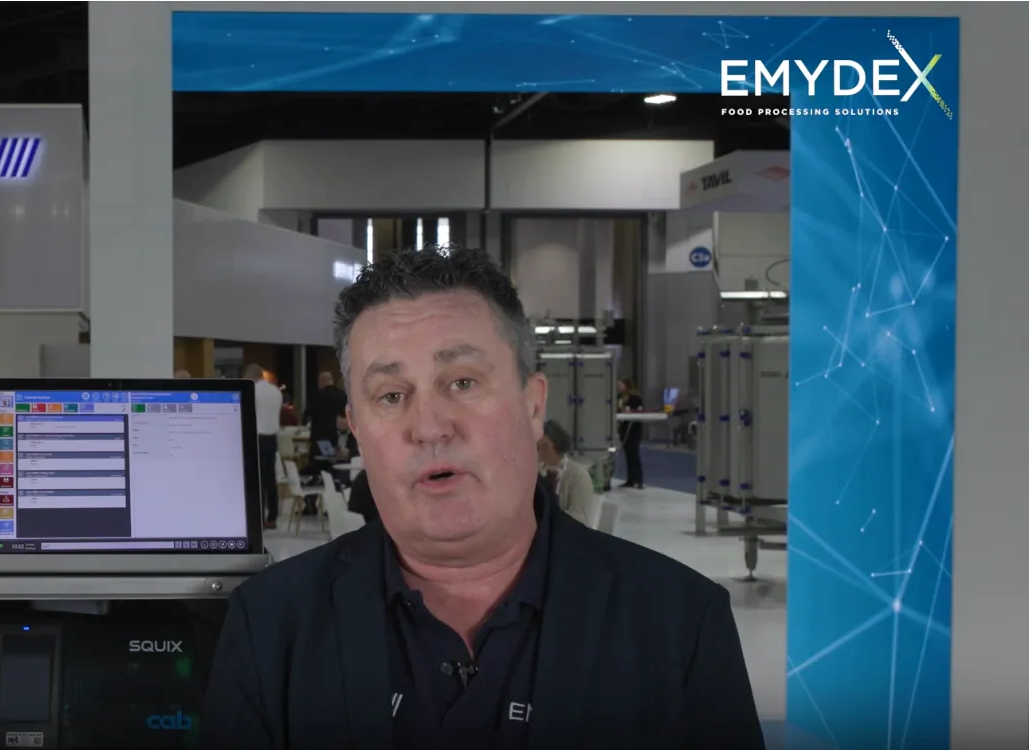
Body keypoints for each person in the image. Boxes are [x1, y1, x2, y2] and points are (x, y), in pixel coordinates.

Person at [202, 248, 761, 750]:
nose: (429, 426)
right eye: (391, 395)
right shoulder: (271, 626)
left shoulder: (679, 623)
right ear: (356, 430)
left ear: (532, 404)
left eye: (462, 383)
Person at [538, 419, 600, 528]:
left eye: (545, 447)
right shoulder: (537, 473)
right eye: (538, 448)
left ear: (557, 446)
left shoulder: (578, 476)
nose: (540, 453)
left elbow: (580, 519)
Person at [247, 363, 284, 530]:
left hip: (257, 437)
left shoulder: (253, 390)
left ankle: (259, 518)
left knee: (257, 480)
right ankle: (273, 517)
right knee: (270, 480)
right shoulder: (276, 391)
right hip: (272, 438)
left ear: (250, 376)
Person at [307, 370, 349, 457]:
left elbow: (305, 417)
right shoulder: (342, 396)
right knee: (333, 464)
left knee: (319, 465)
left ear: (321, 382)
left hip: (319, 440)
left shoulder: (317, 397)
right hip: (335, 440)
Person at [618, 377, 646, 489]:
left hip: (633, 429)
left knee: (634, 455)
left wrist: (628, 412)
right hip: (624, 429)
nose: (618, 387)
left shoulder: (635, 398)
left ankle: (639, 480)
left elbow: (638, 411)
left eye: (620, 384)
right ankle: (630, 480)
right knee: (628, 455)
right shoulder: (620, 398)